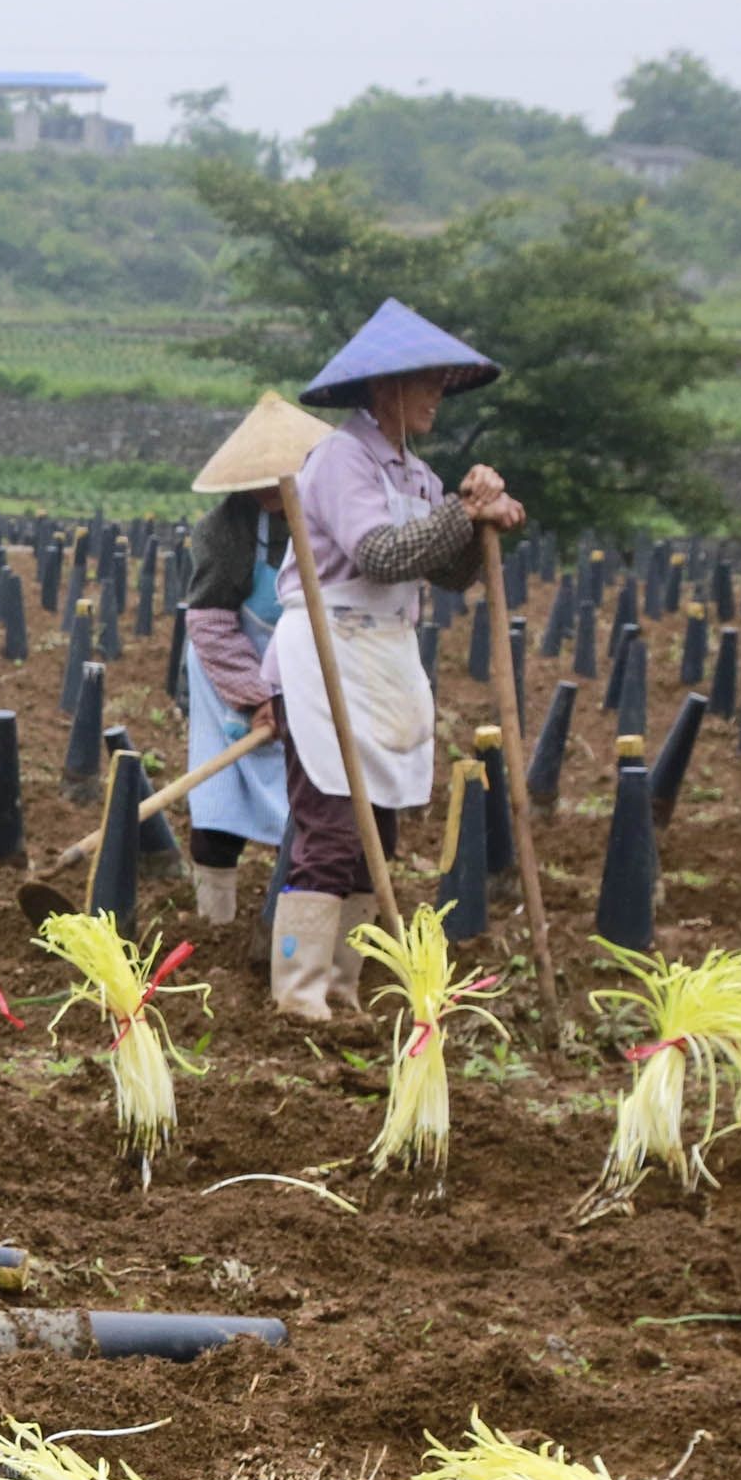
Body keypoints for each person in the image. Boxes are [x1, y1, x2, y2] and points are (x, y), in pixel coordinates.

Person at [267, 300, 526, 1021]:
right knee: (329, 824)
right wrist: (463, 514)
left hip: (383, 656)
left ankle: (342, 988)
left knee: (377, 830)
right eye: (428, 383)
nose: (439, 395)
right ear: (385, 390)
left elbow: (446, 571)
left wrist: (485, 520)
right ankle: (297, 990)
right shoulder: (340, 459)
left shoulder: (413, 473)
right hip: (326, 650)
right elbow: (378, 553)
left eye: (445, 382)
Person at [179, 393, 331, 945]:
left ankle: (295, 928)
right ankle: (213, 928)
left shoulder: (331, 521)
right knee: (220, 798)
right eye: (261, 478)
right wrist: (254, 694)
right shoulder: (226, 531)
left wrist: (296, 692)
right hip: (231, 671)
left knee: (315, 804)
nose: (274, 487)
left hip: (312, 672)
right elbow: (211, 622)